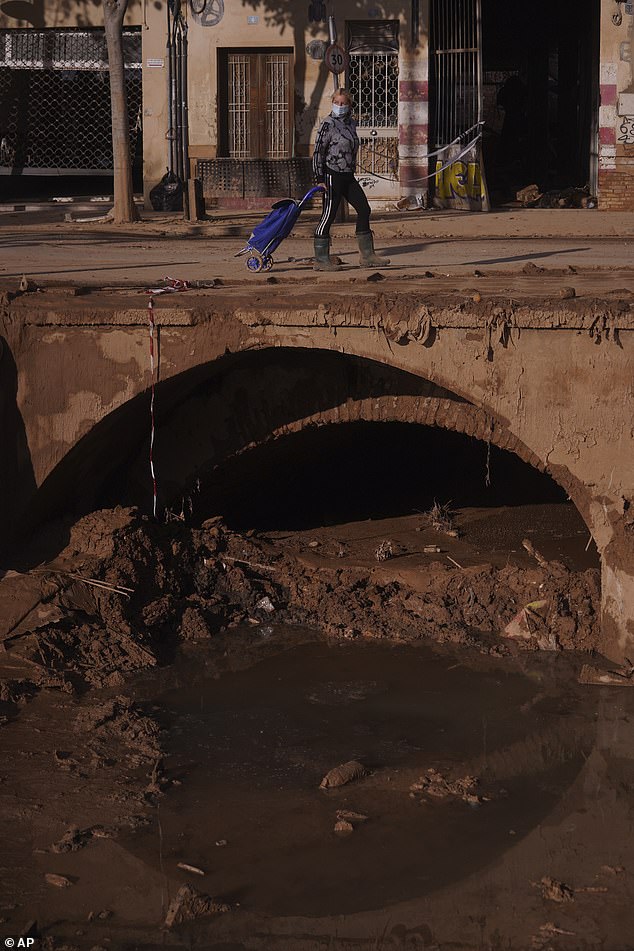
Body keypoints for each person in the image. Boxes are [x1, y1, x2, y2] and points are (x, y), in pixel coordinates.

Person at [312, 88, 390, 271]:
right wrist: (319, 178)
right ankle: (321, 259)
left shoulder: (351, 124)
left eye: (343, 103)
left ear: (349, 105)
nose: (340, 106)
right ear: (332, 103)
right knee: (328, 216)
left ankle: (367, 256)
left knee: (364, 208)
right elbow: (318, 152)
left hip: (348, 175)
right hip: (331, 175)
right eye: (337, 103)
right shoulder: (327, 124)